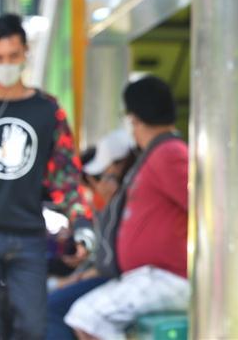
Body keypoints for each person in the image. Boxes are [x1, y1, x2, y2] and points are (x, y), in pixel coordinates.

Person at [0, 14, 94, 340]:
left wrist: (81, 225)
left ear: (25, 53)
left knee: (32, 327)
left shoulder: (48, 110)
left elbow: (66, 174)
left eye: (13, 56)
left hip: (29, 234)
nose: (6, 65)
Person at [65, 76, 189, 340]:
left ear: (133, 119)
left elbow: (202, 210)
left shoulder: (169, 152)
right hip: (147, 276)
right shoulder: (158, 153)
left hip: (168, 276)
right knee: (85, 317)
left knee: (87, 317)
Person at [46, 129, 137, 340]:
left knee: (53, 309)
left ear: (120, 168)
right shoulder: (112, 205)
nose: (96, 186)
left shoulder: (124, 202)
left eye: (99, 177)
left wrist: (74, 279)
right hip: (112, 276)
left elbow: (110, 263)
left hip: (121, 278)